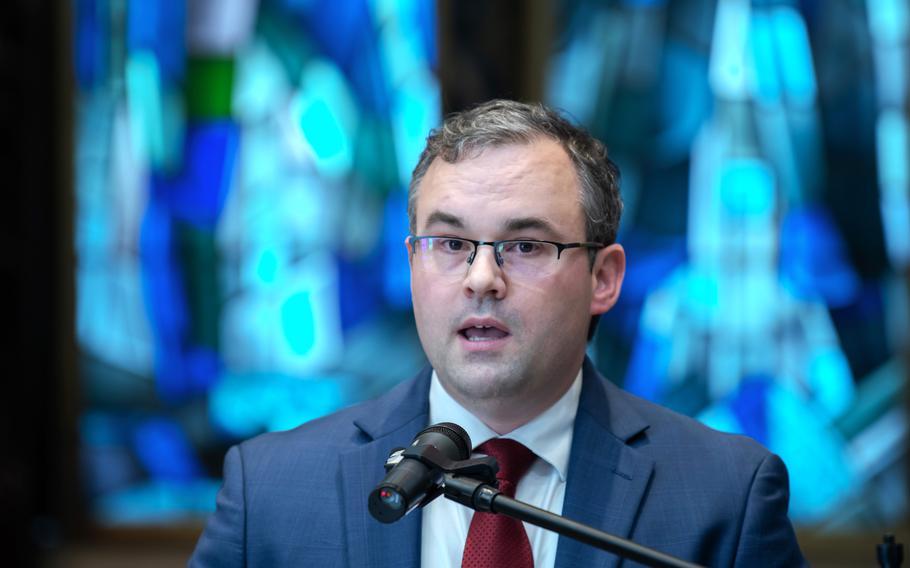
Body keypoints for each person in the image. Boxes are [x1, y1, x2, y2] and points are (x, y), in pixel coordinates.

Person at [189, 100, 806, 567]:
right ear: (411, 265)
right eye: (451, 243)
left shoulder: (726, 498)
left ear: (604, 277)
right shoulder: (269, 491)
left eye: (526, 245)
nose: (481, 278)